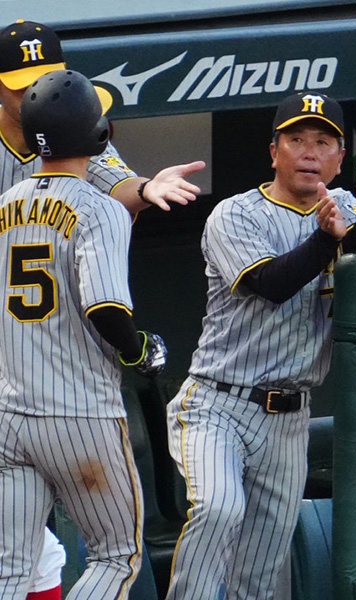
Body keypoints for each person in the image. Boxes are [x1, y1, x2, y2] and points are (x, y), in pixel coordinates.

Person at [165, 91, 356, 599]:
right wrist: (329, 240)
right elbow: (272, 284)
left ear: (341, 158)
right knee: (217, 507)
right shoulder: (236, 214)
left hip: (290, 418)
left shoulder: (347, 213)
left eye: (323, 141)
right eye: (296, 139)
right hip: (218, 403)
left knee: (262, 571)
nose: (309, 151)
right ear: (274, 151)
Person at [0, 69, 167, 599]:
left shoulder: (4, 204)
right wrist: (142, 352)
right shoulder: (102, 208)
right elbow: (106, 308)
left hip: (9, 414)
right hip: (80, 414)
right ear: (99, 135)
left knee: (9, 568)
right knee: (117, 556)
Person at [0, 19, 205, 214]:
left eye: (45, 83)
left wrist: (147, 189)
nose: (35, 95)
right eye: (23, 88)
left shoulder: (75, 123)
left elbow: (117, 184)